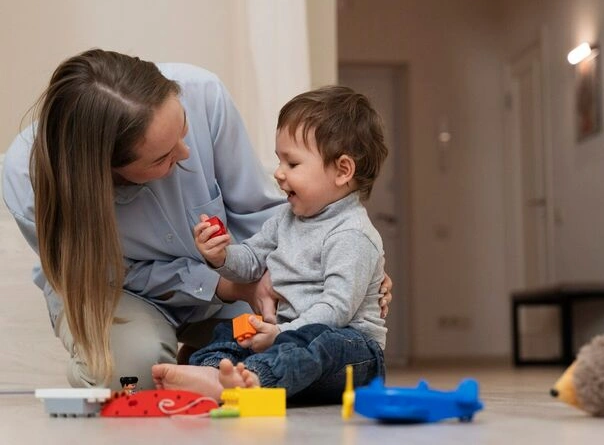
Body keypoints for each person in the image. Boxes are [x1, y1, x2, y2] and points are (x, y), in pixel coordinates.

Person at [2, 49, 393, 391]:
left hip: (250, 291)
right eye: (162, 158)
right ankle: (188, 365)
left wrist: (330, 271)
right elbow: (104, 273)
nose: (186, 153)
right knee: (131, 376)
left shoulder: (202, 93)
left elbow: (263, 215)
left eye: (183, 132)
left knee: (270, 343)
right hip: (117, 288)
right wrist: (222, 284)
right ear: (107, 171)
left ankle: (203, 363)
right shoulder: (26, 184)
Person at [152, 86, 387, 403]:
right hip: (287, 335)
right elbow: (250, 261)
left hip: (352, 350)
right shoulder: (286, 218)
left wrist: (281, 334)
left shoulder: (352, 233)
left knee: (320, 345)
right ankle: (214, 372)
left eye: (292, 164)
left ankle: (255, 380)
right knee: (230, 331)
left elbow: (336, 309)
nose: (278, 174)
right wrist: (220, 256)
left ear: (343, 170)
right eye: (279, 162)